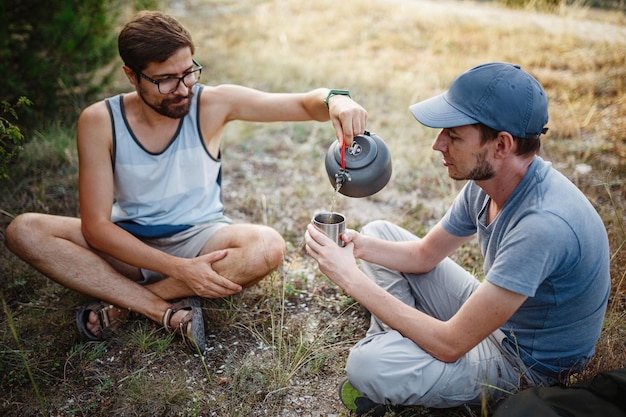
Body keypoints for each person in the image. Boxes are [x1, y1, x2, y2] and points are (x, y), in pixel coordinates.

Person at [5, 10, 368, 355]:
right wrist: (179, 270)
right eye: (165, 79)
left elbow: (305, 105)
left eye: (188, 72)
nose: (182, 88)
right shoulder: (99, 120)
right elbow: (97, 228)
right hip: (128, 242)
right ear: (131, 75)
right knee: (24, 230)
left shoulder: (212, 103)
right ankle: (159, 306)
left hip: (201, 239)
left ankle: (124, 305)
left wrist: (336, 100)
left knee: (267, 245)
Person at [304, 62, 610, 414]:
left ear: (501, 145)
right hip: (495, 319)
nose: (438, 145)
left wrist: (349, 276)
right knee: (377, 234)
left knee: (367, 365)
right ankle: (411, 342)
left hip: (523, 362)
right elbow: (423, 255)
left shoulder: (543, 225)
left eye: (454, 135)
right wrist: (358, 248)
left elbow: (451, 344)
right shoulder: (486, 183)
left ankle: (404, 350)